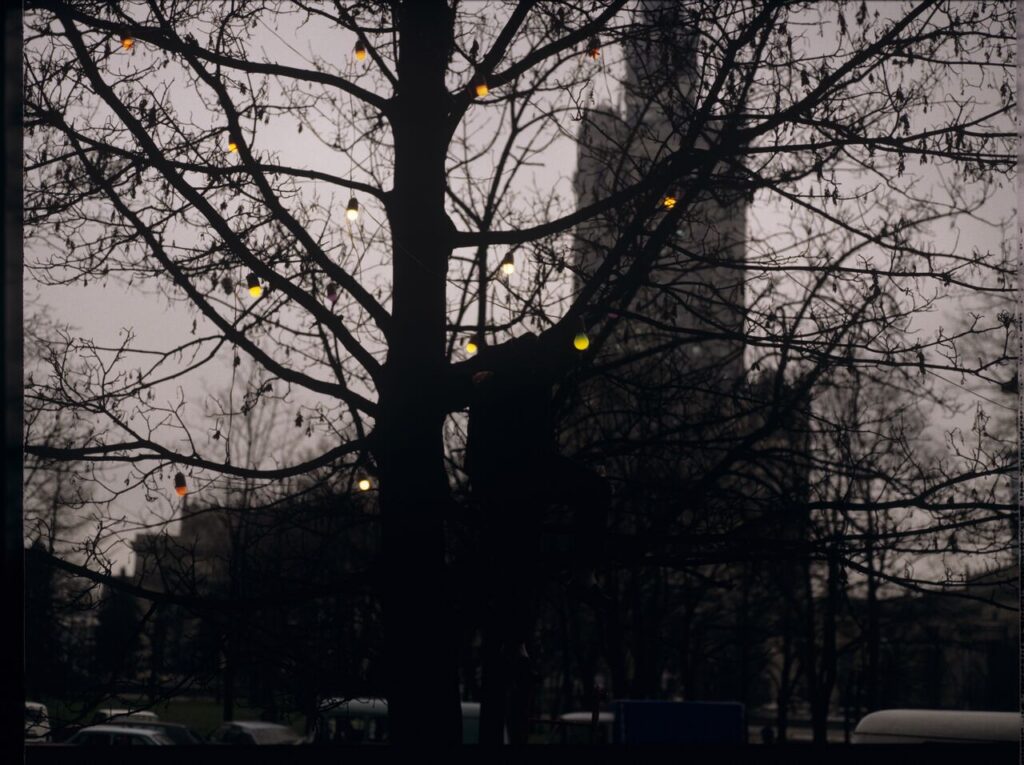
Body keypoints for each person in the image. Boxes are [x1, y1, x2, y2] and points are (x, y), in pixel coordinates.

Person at [465, 332, 610, 744]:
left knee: (521, 559)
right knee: (520, 558)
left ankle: (521, 637)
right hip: (513, 475)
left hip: (516, 473)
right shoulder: (509, 379)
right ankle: (520, 638)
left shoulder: (502, 378)